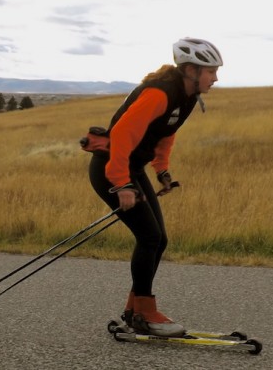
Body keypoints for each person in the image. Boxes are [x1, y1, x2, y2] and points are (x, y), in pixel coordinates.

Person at [88, 37, 223, 337]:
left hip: (131, 169)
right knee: (149, 237)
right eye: (211, 71)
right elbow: (122, 133)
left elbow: (167, 133)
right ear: (191, 70)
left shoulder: (186, 96)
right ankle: (145, 315)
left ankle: (134, 310)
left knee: (159, 240)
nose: (215, 78)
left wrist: (162, 170)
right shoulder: (160, 93)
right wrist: (121, 182)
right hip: (111, 169)